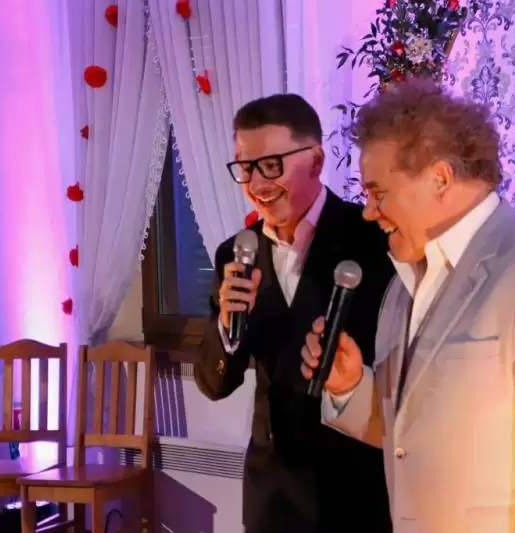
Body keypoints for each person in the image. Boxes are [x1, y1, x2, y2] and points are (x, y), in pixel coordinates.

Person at [300, 79, 515, 533]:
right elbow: (408, 438)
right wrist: (349, 386)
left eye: (378, 192)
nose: (368, 211)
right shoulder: (402, 286)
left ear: (440, 178)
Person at [194, 93, 394, 533]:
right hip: (273, 494)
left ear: (316, 161)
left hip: (356, 488)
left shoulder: (374, 238)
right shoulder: (235, 254)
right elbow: (214, 383)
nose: (257, 184)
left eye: (271, 165)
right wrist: (227, 326)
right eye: (245, 168)